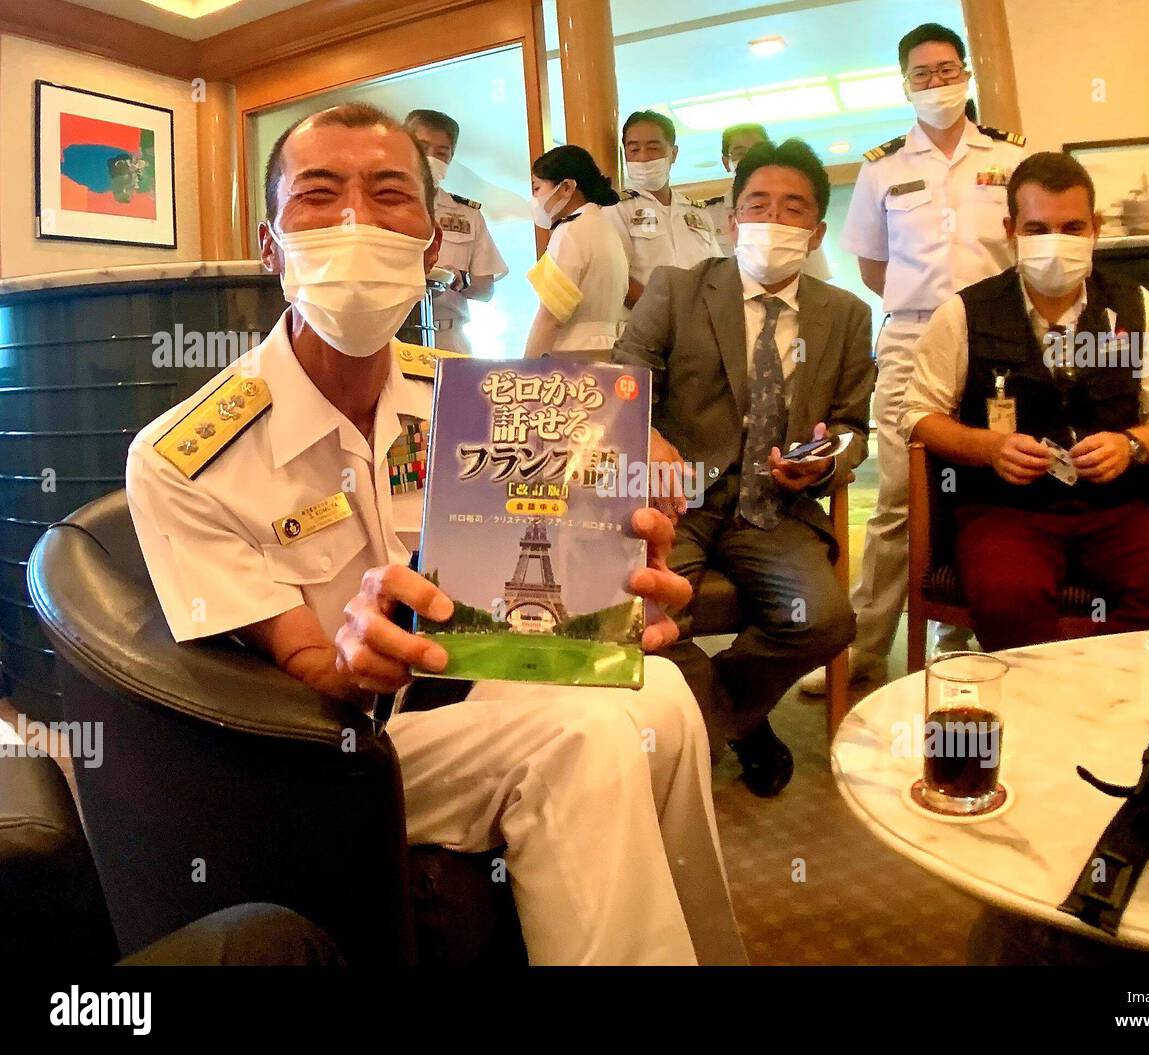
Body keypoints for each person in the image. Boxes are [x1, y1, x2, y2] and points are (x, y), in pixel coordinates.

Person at [125, 103, 746, 967]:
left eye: (389, 195)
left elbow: (572, 563)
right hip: (346, 744)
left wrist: (619, 560)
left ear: (430, 246)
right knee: (588, 739)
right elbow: (309, 671)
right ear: (270, 245)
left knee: (662, 699)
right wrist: (352, 651)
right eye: (318, 195)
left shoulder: (473, 394)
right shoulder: (182, 457)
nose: (356, 222)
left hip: (479, 684)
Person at [614, 139, 874, 797]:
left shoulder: (845, 315)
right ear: (732, 220)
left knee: (824, 618)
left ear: (816, 231)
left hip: (774, 509)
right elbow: (618, 382)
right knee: (634, 613)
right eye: (757, 205)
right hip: (681, 502)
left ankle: (722, 716)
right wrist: (648, 435)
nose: (773, 220)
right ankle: (749, 726)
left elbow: (854, 430)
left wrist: (822, 463)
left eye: (793, 210)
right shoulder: (677, 290)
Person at [903, 151, 1149, 651]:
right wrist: (987, 449)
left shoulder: (1137, 307)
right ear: (1011, 230)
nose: (1055, 243)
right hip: (1006, 513)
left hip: (1117, 509)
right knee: (1007, 598)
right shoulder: (964, 313)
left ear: (1096, 228)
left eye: (1072, 227)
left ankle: (1108, 696)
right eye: (1038, 228)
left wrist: (1133, 445)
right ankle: (1046, 706)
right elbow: (918, 416)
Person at [804, 22, 1027, 694]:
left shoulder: (1013, 159)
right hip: (911, 336)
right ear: (906, 84)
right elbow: (873, 265)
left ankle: (955, 639)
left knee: (987, 482)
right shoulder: (883, 167)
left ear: (966, 74)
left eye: (946, 69)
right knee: (899, 496)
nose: (937, 82)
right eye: (922, 74)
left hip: (996, 341)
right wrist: (926, 309)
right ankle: (867, 647)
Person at [403, 109, 508, 356]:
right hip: (394, 334)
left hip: (448, 336)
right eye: (422, 147)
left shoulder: (467, 214)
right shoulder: (380, 205)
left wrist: (461, 280)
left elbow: (485, 290)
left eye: (442, 153)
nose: (431, 158)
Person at [604, 110, 721, 309]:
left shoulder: (697, 213)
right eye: (634, 150)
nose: (643, 157)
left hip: (700, 324)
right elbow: (616, 277)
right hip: (645, 327)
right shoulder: (617, 209)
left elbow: (718, 272)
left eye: (653, 148)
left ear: (673, 153)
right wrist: (664, 315)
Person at [524, 144, 627, 361]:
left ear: (566, 188)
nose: (534, 198)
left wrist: (525, 369)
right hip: (609, 351)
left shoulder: (569, 231)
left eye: (537, 188)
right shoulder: (604, 226)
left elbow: (550, 317)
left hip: (570, 357)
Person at [705, 122, 833, 281]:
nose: (750, 157)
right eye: (739, 153)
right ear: (726, 162)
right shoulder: (707, 215)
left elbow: (816, 278)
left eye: (757, 149)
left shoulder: (800, 214)